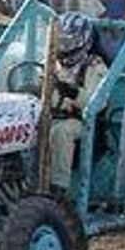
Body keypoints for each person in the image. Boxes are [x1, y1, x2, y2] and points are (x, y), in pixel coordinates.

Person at [48, 12, 109, 193]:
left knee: (61, 132)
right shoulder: (52, 62)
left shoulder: (94, 66)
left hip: (83, 122)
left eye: (69, 42)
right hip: (52, 116)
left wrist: (74, 92)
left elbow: (98, 104)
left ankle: (59, 187)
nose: (65, 47)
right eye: (62, 42)